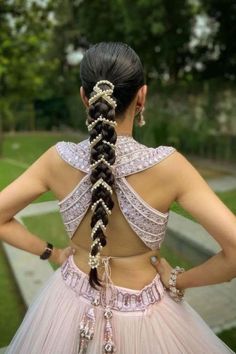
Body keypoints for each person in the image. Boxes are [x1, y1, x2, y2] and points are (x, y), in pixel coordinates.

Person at [0, 41, 235, 354]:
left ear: (85, 98)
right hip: (148, 320)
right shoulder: (170, 168)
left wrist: (53, 254)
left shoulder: (56, 160)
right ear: (142, 96)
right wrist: (179, 280)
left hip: (65, 304)